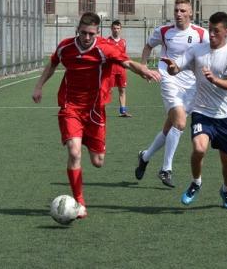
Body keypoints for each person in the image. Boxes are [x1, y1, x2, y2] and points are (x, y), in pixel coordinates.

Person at [32, 12, 160, 219]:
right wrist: (38, 87)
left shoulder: (105, 48)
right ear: (77, 30)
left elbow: (127, 63)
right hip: (70, 106)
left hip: (95, 110)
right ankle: (79, 203)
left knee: (98, 161)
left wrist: (143, 70)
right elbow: (53, 63)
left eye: (91, 33)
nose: (87, 37)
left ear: (97, 32)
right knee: (74, 153)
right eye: (83, 33)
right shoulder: (66, 47)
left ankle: (84, 140)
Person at [162, 11, 227, 210]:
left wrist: (214, 79)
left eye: (216, 31)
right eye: (210, 30)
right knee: (199, 149)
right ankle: (196, 182)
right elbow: (177, 68)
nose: (212, 34)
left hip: (224, 116)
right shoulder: (198, 50)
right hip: (201, 111)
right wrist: (172, 67)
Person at [134, 0, 209, 188]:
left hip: (191, 84)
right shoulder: (164, 31)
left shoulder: (201, 33)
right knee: (181, 123)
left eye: (183, 11)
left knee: (170, 127)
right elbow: (148, 46)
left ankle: (145, 156)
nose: (178, 14)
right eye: (176, 10)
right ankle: (166, 169)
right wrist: (143, 67)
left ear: (191, 13)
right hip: (168, 78)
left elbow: (209, 55)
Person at [107, 20, 131, 117]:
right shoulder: (107, 41)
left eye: (118, 28)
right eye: (114, 28)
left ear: (120, 29)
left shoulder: (123, 42)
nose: (116, 30)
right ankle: (99, 110)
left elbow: (124, 56)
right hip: (110, 70)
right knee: (108, 90)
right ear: (111, 29)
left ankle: (123, 111)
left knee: (122, 90)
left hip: (121, 70)